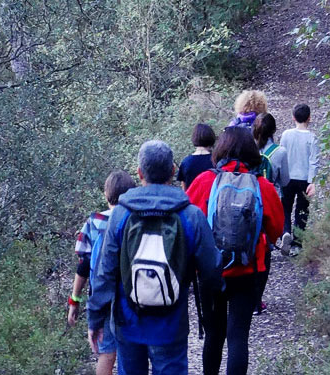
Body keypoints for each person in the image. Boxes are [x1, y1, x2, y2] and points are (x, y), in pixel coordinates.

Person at [88, 140, 223, 375]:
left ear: (139, 173)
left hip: (128, 322)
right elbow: (211, 270)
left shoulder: (120, 215)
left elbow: (105, 272)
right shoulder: (191, 216)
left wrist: (95, 317)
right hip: (171, 324)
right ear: (173, 171)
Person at [186, 126, 285, 375]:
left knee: (214, 335)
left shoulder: (204, 181)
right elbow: (276, 230)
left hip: (210, 272)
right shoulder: (262, 186)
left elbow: (186, 224)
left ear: (221, 149)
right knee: (238, 335)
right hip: (248, 269)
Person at [69, 170, 138, 375]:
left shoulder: (94, 222)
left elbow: (83, 266)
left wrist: (74, 300)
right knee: (130, 353)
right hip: (132, 297)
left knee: (106, 353)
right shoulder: (136, 219)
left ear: (106, 195)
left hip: (103, 298)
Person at [250, 113, 289, 315]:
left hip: (247, 201)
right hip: (269, 200)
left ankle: (245, 297)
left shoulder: (247, 149)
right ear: (274, 131)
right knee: (265, 251)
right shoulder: (280, 152)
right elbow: (285, 182)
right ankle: (258, 300)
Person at [279, 104, 319, 253]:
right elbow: (313, 161)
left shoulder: (286, 135)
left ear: (293, 118)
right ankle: (297, 244)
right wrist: (312, 182)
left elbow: (281, 156)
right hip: (304, 179)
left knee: (285, 208)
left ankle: (285, 232)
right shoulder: (312, 137)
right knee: (302, 211)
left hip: (287, 178)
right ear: (309, 118)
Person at [177, 123, 217, 190]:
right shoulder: (216, 161)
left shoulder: (186, 162)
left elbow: (184, 189)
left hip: (192, 200)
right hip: (211, 199)